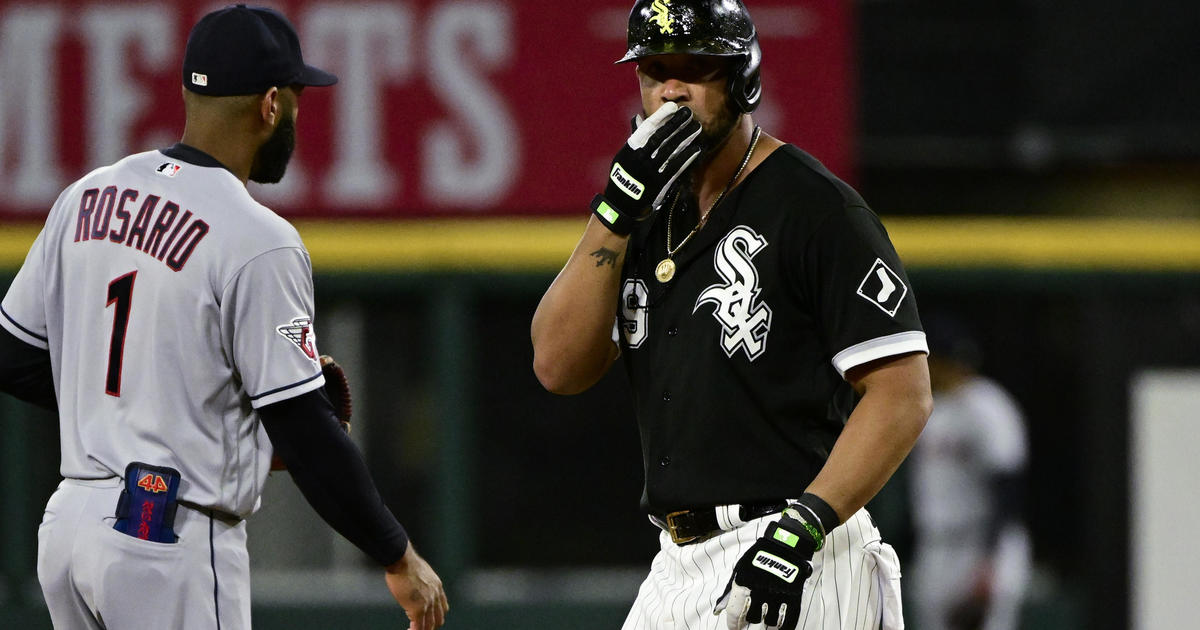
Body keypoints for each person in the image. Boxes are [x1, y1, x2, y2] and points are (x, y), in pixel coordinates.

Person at [0, 5, 447, 629]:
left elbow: (13, 356)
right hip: (167, 538)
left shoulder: (87, 195)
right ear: (270, 105)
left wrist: (139, 406)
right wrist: (397, 554)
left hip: (68, 530)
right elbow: (306, 431)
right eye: (295, 98)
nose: (296, 113)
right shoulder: (258, 236)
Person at [531, 1, 932, 629]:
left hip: (803, 546)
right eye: (654, 68)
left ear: (743, 78)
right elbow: (557, 365)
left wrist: (802, 529)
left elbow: (902, 394)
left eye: (696, 68)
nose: (670, 89)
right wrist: (613, 210)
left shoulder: (817, 209)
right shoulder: (642, 210)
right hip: (676, 560)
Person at [908, 312, 1031, 630]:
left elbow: (1008, 485)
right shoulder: (926, 408)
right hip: (934, 546)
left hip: (980, 543)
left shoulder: (989, 406)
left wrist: (989, 562)